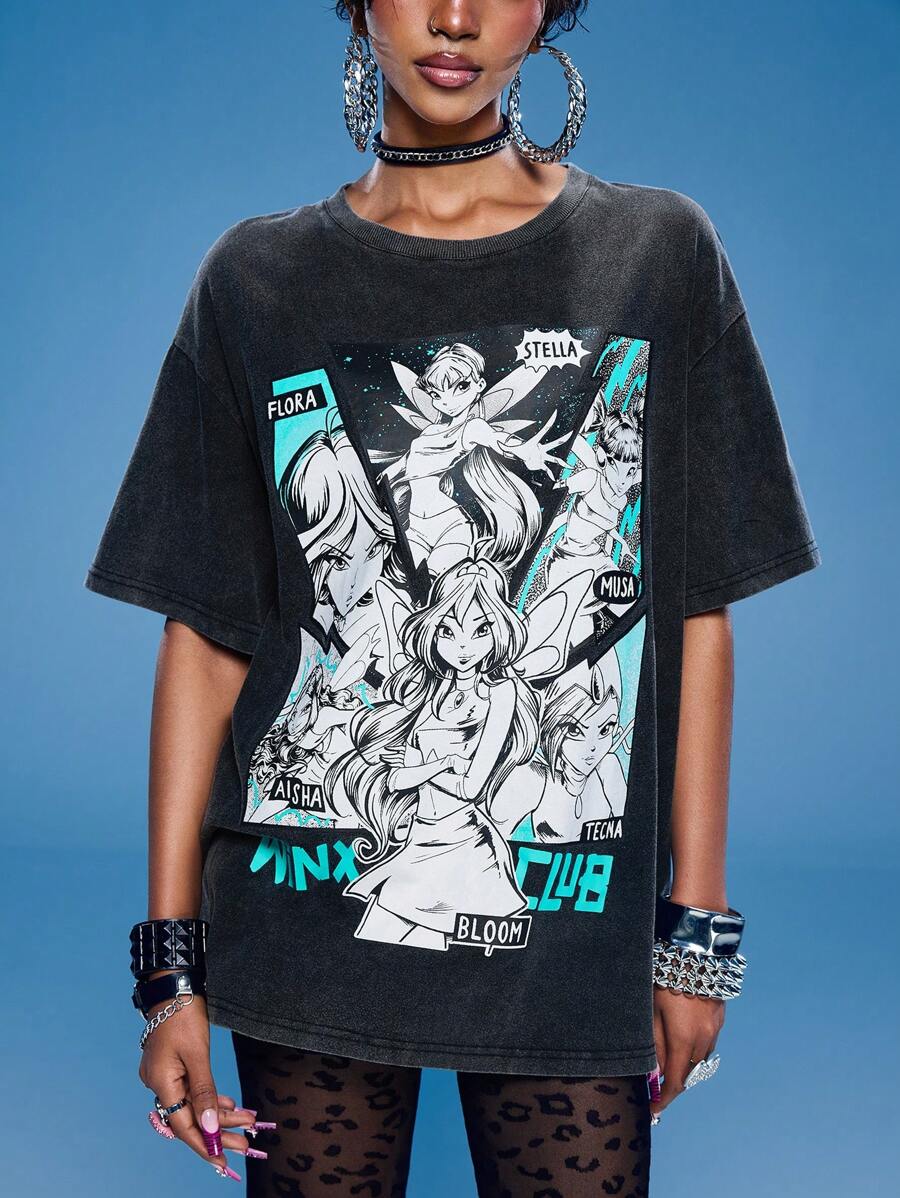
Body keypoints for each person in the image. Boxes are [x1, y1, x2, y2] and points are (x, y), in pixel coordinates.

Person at [84, 2, 821, 1194]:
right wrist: (170, 969)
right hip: (303, 932)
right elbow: (208, 634)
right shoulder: (257, 279)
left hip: (568, 951)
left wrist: (696, 931)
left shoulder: (658, 252)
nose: (456, 17)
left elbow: (693, 611)